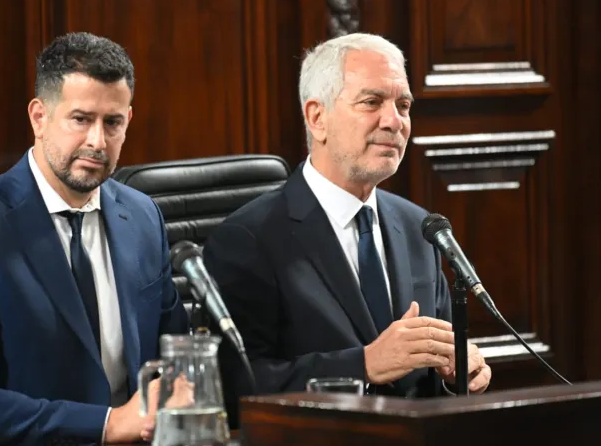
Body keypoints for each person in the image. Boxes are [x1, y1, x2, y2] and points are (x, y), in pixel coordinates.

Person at [0, 32, 189, 445]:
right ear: (39, 117)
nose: (97, 141)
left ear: (128, 121)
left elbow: (173, 354)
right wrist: (107, 424)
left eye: (112, 122)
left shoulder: (143, 217)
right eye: (81, 119)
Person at [202, 33, 491, 424]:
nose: (394, 122)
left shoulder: (420, 228)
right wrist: (364, 365)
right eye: (372, 102)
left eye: (403, 105)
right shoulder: (248, 239)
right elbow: (235, 386)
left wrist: (458, 373)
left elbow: (425, 376)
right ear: (317, 118)